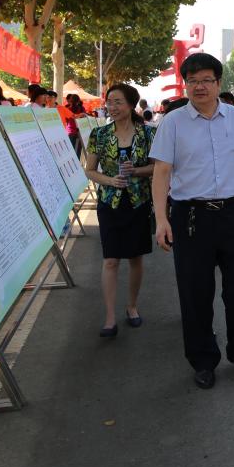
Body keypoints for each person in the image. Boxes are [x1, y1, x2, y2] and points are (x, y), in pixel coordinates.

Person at [149, 53, 234, 390]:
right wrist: (161, 219)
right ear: (185, 84)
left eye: (206, 80)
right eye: (192, 81)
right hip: (191, 217)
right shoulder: (173, 122)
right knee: (195, 294)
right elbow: (161, 173)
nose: (199, 86)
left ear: (218, 83)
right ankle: (203, 360)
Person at [83, 84, 155, 338]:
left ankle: (132, 306)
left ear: (131, 105)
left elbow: (158, 167)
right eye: (109, 102)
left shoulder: (147, 134)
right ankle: (110, 317)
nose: (112, 107)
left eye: (118, 102)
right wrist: (110, 181)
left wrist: (136, 171)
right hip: (109, 203)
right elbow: (90, 170)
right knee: (111, 259)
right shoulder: (99, 134)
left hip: (138, 202)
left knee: (135, 258)